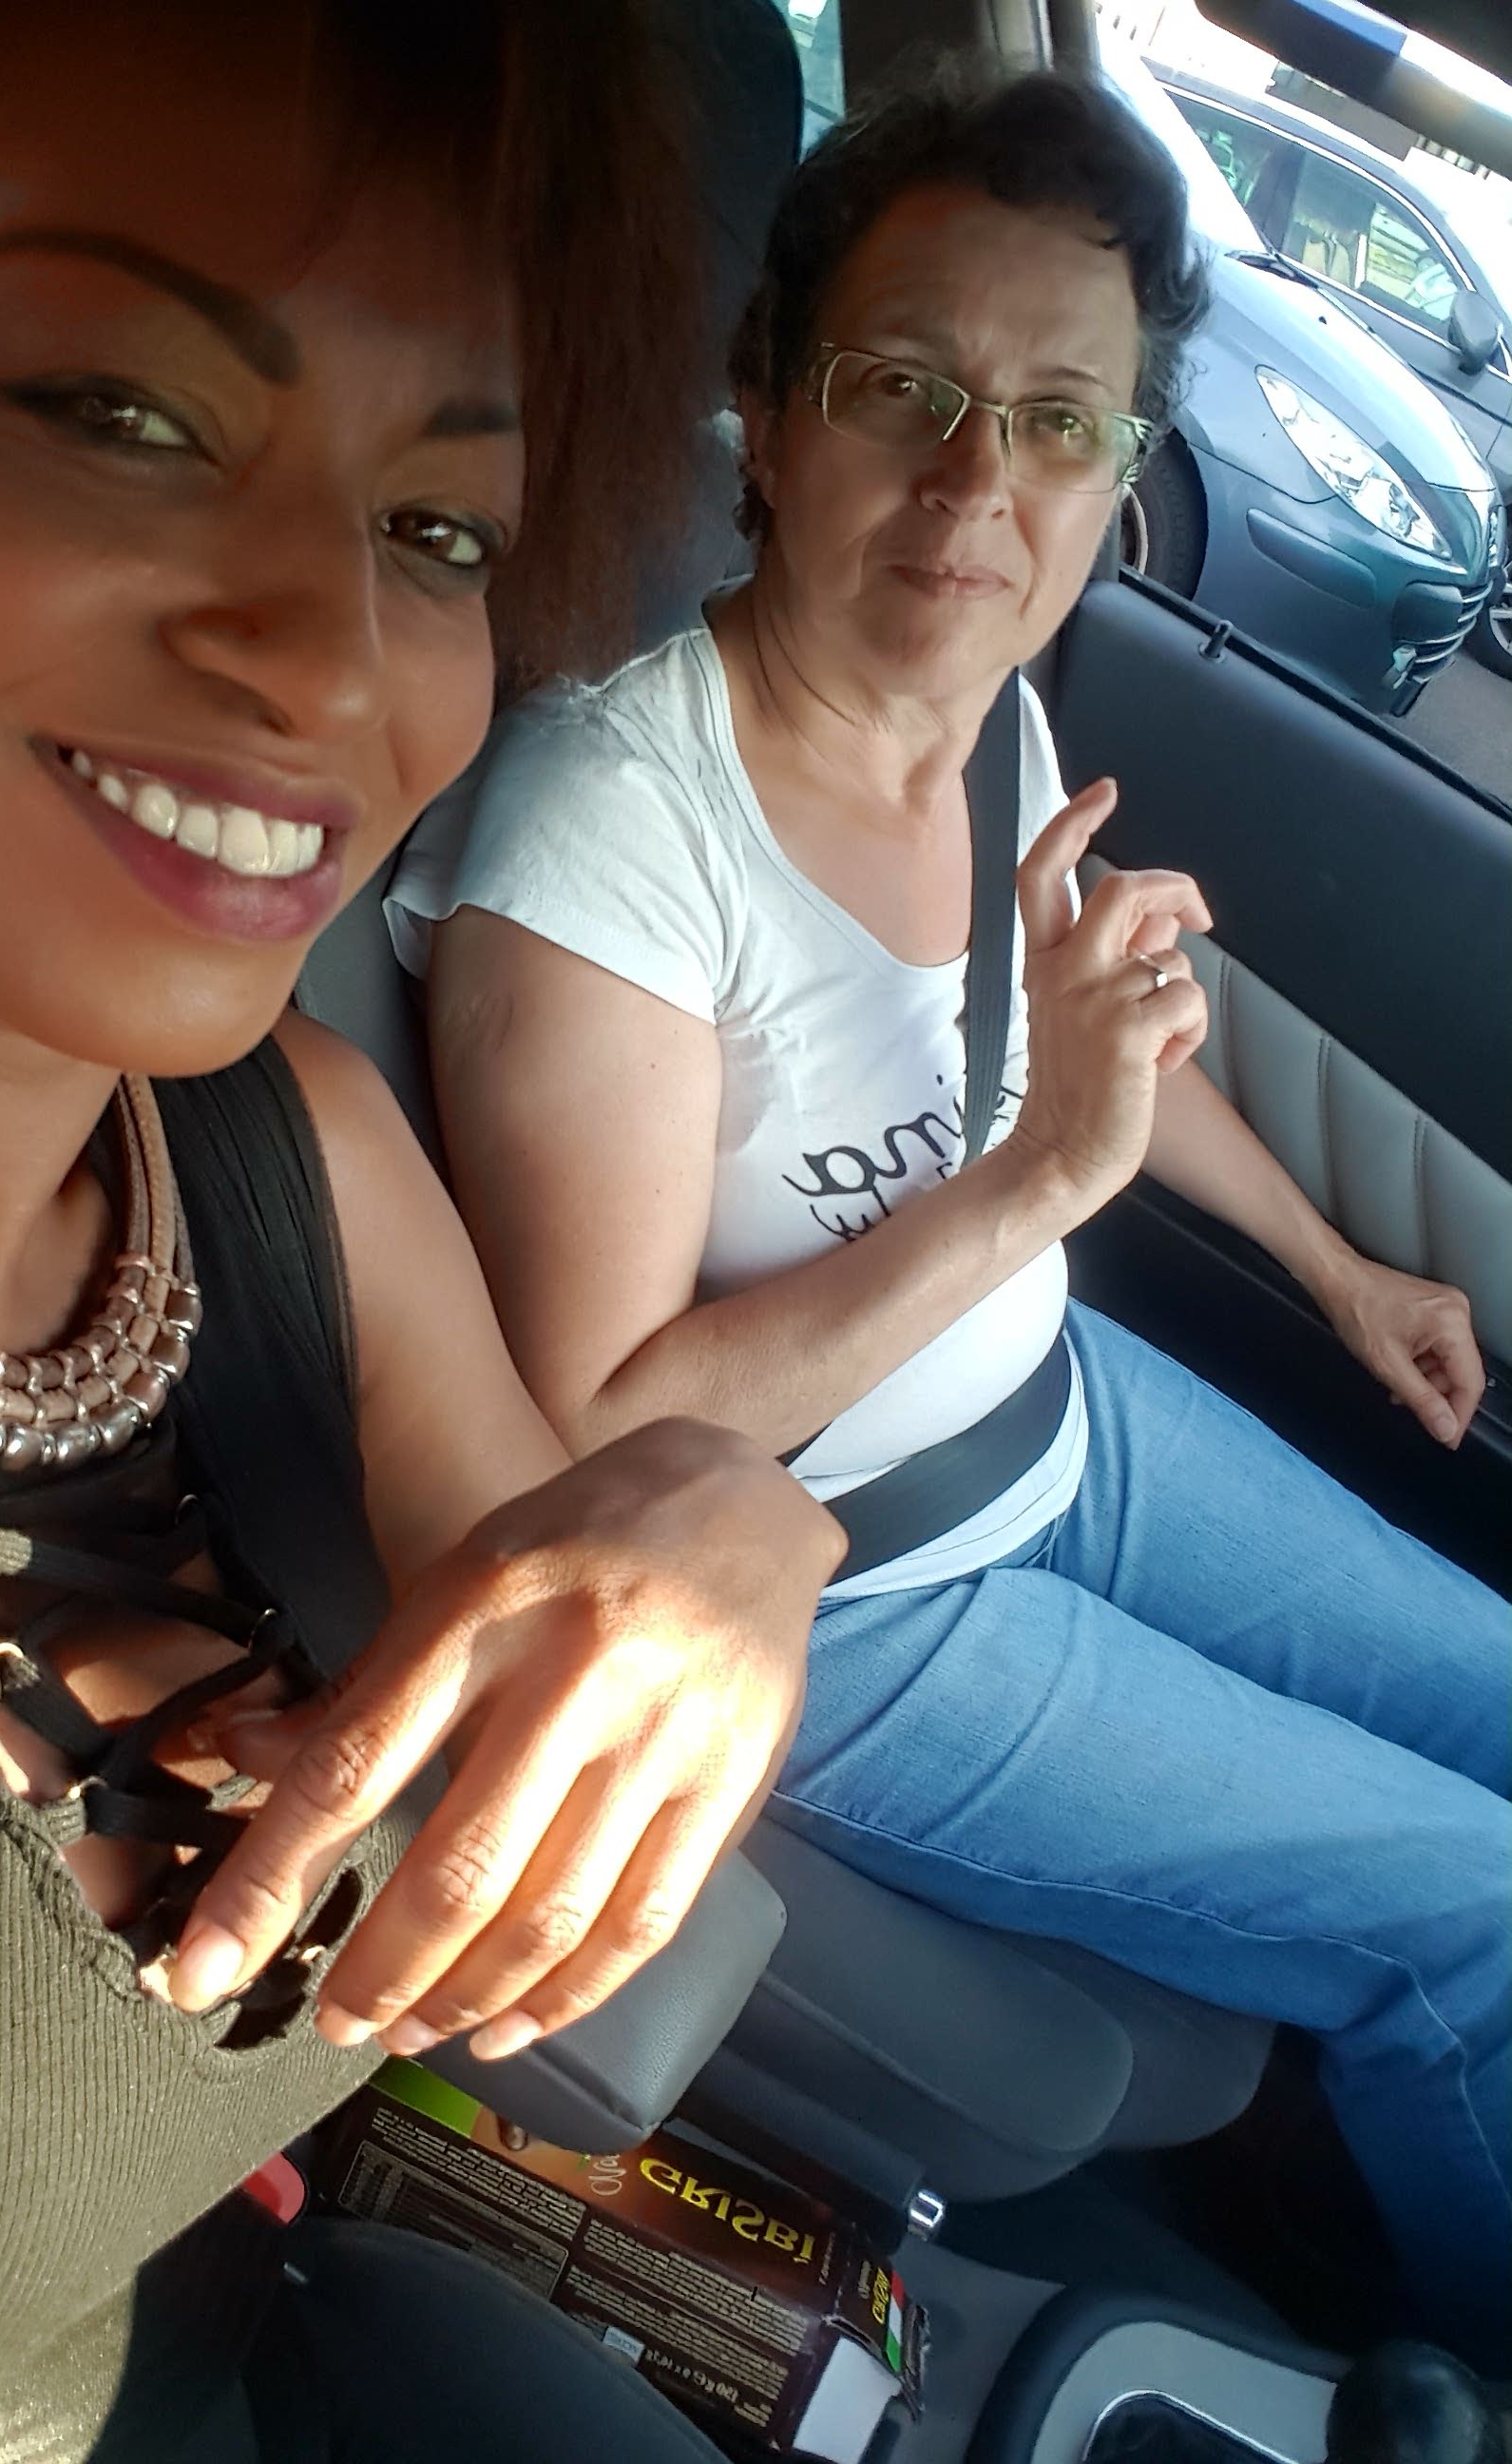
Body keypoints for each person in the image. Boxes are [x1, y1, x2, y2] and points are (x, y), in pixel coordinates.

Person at [0, 5, 847, 2457]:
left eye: (437, 533)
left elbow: (590, 1665)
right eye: (122, 411)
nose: (333, 658)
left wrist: (736, 1541)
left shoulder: (293, 1157)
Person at [393, 62, 1512, 2365]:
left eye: (1060, 422)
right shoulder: (611, 839)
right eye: (904, 390)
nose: (978, 485)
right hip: (863, 1597)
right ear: (769, 405)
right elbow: (599, 1425)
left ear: (1121, 463)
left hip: (1065, 1424)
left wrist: (1335, 1267)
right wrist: (1037, 1184)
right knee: (1480, 1915)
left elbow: (1086, 1049)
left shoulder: (982, 711)